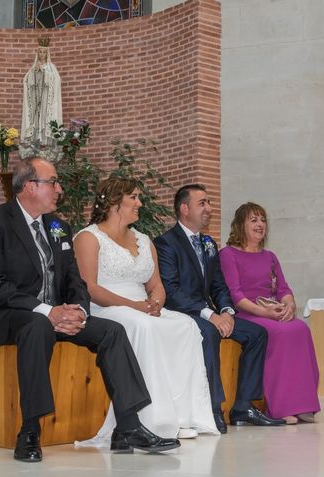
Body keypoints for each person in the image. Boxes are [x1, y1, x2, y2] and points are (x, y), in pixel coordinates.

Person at [0, 158, 179, 462]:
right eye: (52, 182)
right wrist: (47, 311)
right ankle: (29, 431)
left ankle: (129, 426)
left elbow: (74, 279)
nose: (59, 189)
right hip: (5, 315)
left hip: (57, 315)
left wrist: (78, 310)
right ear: (30, 186)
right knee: (36, 326)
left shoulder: (58, 226)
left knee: (112, 331)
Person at [72, 177, 219, 444]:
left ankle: (184, 416)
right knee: (144, 326)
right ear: (116, 201)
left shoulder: (143, 239)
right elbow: (89, 288)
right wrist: (135, 306)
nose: (140, 203)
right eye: (134, 198)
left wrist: (156, 303)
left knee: (186, 326)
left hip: (144, 306)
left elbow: (157, 285)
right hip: (107, 308)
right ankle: (153, 419)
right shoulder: (88, 237)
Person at [153, 184, 286, 433]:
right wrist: (210, 314)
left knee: (257, 333)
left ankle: (243, 406)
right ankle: (213, 407)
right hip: (180, 312)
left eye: (209, 202)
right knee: (210, 332)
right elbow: (170, 290)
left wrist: (227, 311)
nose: (209, 208)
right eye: (202, 203)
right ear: (184, 208)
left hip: (210, 311)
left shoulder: (208, 243)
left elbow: (219, 285)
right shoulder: (165, 243)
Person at [219, 202, 320, 424]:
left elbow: (283, 288)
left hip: (271, 311)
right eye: (253, 220)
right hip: (246, 314)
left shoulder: (270, 256)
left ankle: (303, 404)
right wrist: (265, 313)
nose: (260, 224)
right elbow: (235, 295)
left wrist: (289, 306)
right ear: (240, 225)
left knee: (300, 328)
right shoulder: (228, 254)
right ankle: (282, 407)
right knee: (281, 333)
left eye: (263, 220)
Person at [21, 37, 62, 150]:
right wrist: (35, 72)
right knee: (35, 117)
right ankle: (34, 140)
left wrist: (44, 72)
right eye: (40, 51)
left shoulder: (51, 68)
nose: (42, 54)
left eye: (44, 52)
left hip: (45, 98)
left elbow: (56, 81)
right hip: (35, 98)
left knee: (44, 117)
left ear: (47, 53)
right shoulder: (33, 68)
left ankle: (45, 140)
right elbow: (27, 81)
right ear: (37, 53)